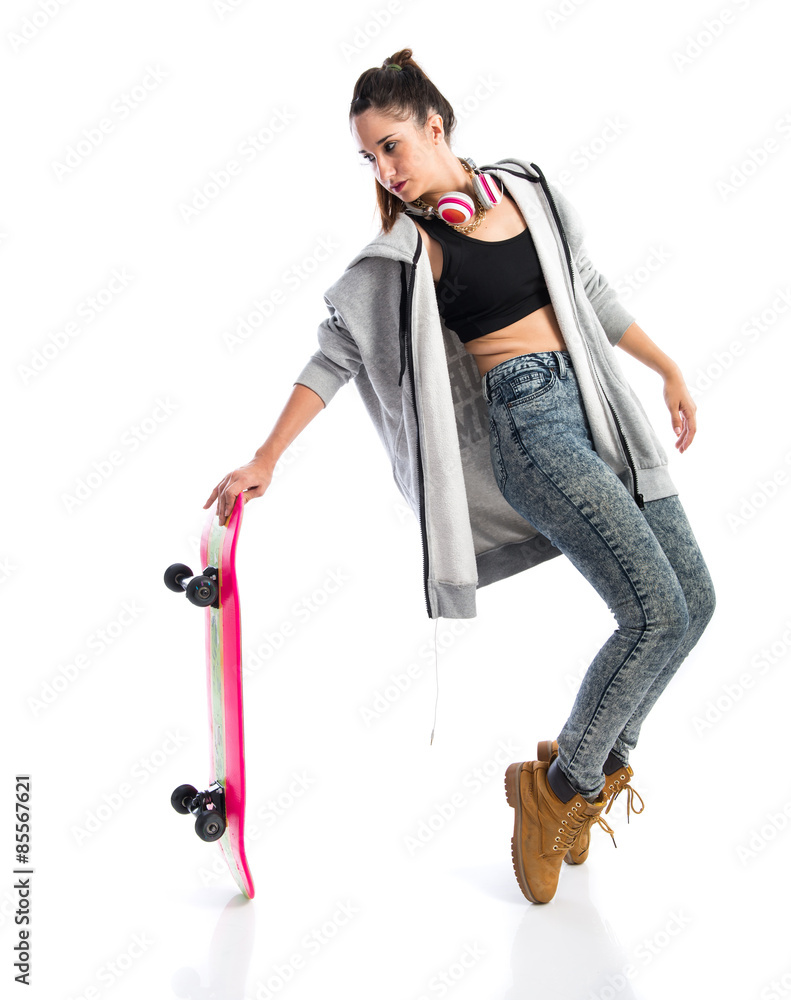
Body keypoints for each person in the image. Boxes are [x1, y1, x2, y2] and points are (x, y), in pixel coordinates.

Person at [204, 49, 716, 904]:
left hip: (598, 412)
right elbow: (334, 353)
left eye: (393, 147)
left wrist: (666, 367)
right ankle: (557, 795)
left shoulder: (529, 190)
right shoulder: (408, 251)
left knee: (692, 603)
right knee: (651, 612)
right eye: (370, 158)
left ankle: (579, 773)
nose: (385, 171)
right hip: (528, 430)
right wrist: (265, 457)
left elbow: (583, 287)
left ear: (436, 127)